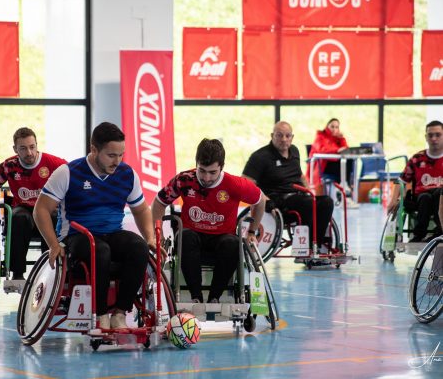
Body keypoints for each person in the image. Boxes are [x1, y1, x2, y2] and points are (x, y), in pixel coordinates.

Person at [33, 122, 154, 330]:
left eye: (121, 155)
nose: (117, 161)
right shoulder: (68, 173)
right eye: (111, 155)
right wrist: (53, 245)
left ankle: (119, 313)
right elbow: (41, 210)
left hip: (112, 232)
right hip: (75, 236)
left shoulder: (127, 174)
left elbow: (142, 209)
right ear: (94, 149)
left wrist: (150, 237)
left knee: (139, 247)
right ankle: (100, 314)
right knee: (100, 250)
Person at [151, 138, 265, 304]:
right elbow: (159, 202)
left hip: (222, 239)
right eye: (202, 170)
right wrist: (157, 234)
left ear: (222, 167)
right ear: (196, 163)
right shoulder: (184, 180)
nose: (206, 177)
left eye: (212, 172)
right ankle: (196, 297)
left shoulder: (235, 184)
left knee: (233, 243)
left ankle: (214, 298)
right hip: (192, 237)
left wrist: (252, 232)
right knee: (185, 236)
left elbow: (260, 201)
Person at [0, 127, 66, 282]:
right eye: (23, 149)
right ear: (15, 149)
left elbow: (74, 185)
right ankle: (17, 276)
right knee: (18, 217)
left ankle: (50, 274)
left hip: (47, 211)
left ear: (37, 145)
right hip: (24, 211)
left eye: (32, 147)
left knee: (53, 217)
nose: (29, 153)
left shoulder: (55, 163)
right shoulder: (8, 166)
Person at [242, 121, 334, 255]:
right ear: (272, 136)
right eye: (279, 135)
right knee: (308, 204)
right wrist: (265, 200)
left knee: (326, 202)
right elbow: (247, 182)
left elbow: (300, 175)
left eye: (287, 136)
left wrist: (309, 191)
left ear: (292, 137)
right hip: (277, 202)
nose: (284, 139)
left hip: (299, 197)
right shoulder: (260, 157)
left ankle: (316, 245)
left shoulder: (294, 151)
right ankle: (306, 247)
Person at [387, 120, 443, 242]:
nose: (434, 138)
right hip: (421, 199)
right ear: (426, 137)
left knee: (439, 193)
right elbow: (401, 180)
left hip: (441, 197)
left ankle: (440, 232)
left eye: (438, 135)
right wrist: (393, 200)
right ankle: (419, 234)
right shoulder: (418, 159)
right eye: (430, 135)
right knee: (425, 197)